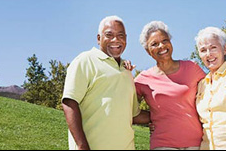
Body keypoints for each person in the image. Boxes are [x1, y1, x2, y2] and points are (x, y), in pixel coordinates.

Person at [61, 15, 150, 150]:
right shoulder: (85, 60)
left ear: (126, 39)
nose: (116, 40)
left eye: (121, 35)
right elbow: (69, 102)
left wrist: (164, 116)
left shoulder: (126, 72)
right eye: (109, 35)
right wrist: (81, 145)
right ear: (99, 39)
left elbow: (134, 115)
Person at [134, 21, 206, 150]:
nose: (161, 46)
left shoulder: (192, 68)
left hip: (195, 143)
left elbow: (215, 88)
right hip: (163, 144)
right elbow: (128, 112)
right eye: (154, 44)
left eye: (165, 40)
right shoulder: (142, 80)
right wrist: (154, 117)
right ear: (148, 51)